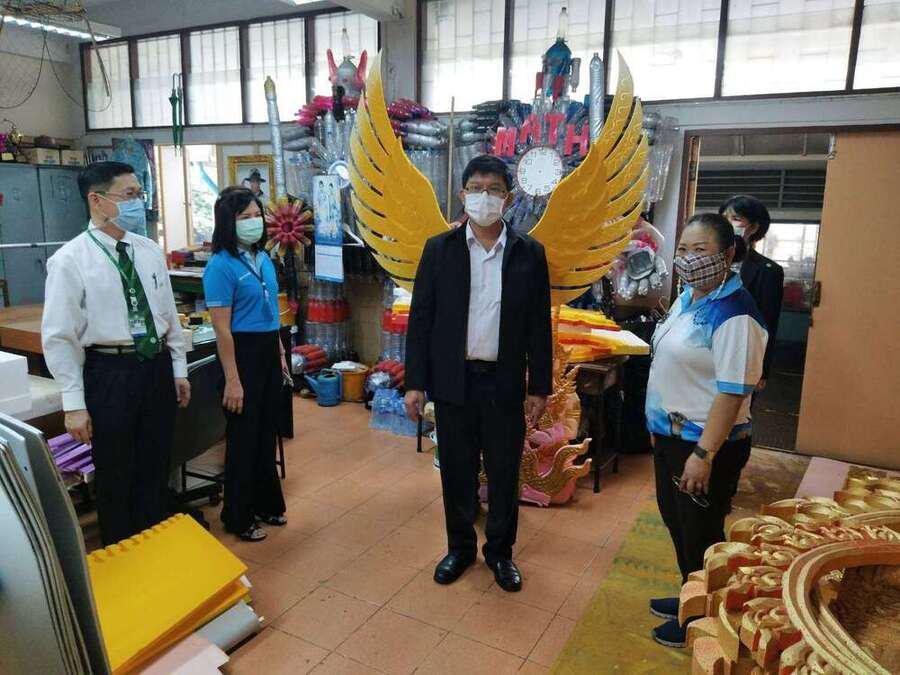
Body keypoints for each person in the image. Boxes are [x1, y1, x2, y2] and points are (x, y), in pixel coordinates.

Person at [404, 155, 553, 592]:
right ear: (462, 193)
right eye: (476, 188)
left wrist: (539, 386)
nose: (484, 197)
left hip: (504, 380)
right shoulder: (440, 249)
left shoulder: (529, 253)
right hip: (454, 380)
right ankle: (460, 548)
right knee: (456, 469)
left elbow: (538, 325)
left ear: (508, 197)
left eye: (494, 189)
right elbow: (421, 320)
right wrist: (415, 382)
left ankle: (501, 553)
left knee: (505, 472)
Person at [42, 161, 190, 546]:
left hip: (154, 365)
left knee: (156, 463)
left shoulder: (148, 250)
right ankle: (122, 552)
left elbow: (167, 314)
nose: (139, 202)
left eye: (140, 194)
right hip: (110, 371)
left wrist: (178, 367)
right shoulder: (70, 260)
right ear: (96, 200)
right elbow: (59, 337)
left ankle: (153, 544)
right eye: (129, 195)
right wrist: (74, 403)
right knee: (116, 471)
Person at [645, 213, 768, 648]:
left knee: (701, 532)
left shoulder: (735, 314)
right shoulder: (688, 298)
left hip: (705, 445)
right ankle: (690, 593)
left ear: (728, 254)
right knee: (679, 523)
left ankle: (703, 617)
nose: (688, 258)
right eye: (682, 249)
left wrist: (704, 454)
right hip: (673, 438)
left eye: (700, 250)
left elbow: (732, 393)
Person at [203, 186, 288, 542]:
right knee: (243, 438)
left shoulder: (263, 257)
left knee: (267, 432)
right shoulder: (220, 266)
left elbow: (272, 311)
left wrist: (280, 352)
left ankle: (266, 504)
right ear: (228, 222)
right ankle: (238, 516)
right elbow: (222, 330)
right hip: (241, 354)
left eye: (257, 215)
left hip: (268, 349)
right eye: (244, 217)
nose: (254, 222)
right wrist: (233, 380)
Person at [719, 196, 784, 391]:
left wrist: (763, 370)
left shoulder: (768, 270)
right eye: (724, 217)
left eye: (736, 218)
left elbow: (768, 322)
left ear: (754, 227)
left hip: (742, 353)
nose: (727, 223)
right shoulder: (709, 261)